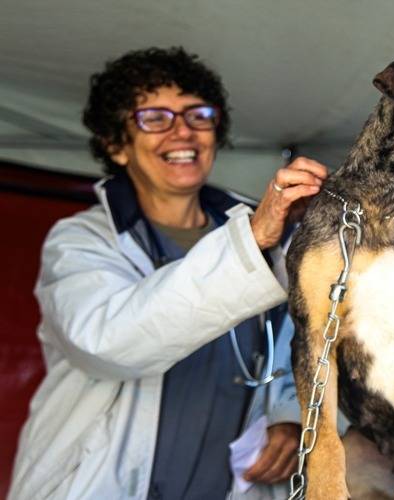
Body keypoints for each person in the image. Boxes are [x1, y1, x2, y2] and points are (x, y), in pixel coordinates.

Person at [8, 47, 328, 500]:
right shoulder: (80, 240)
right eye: (155, 118)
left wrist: (289, 417)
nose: (183, 131)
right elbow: (107, 342)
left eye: (198, 115)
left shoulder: (267, 235)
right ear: (117, 145)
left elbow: (305, 343)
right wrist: (251, 241)